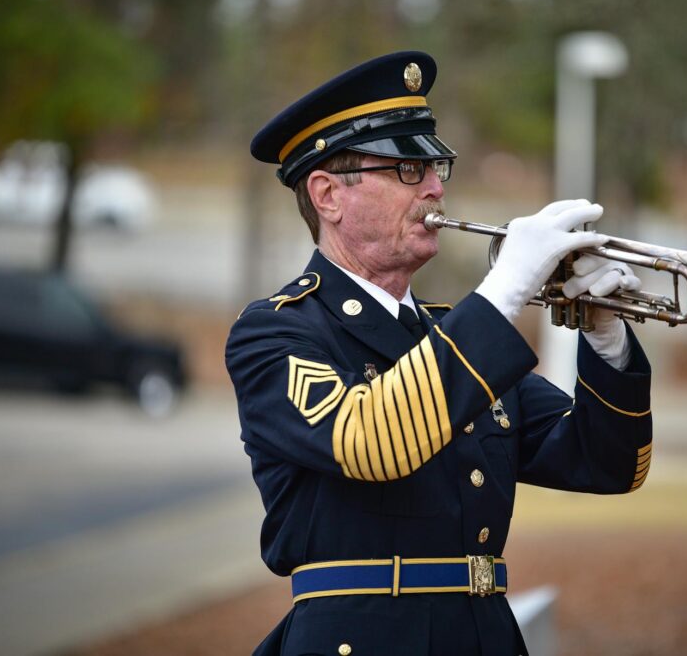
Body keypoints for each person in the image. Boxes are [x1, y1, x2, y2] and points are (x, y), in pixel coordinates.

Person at [226, 50, 653, 656]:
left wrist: (605, 337)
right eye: (407, 168)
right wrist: (505, 289)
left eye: (437, 166)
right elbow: (370, 439)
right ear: (327, 194)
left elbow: (609, 466)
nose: (435, 186)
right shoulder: (276, 333)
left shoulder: (455, 337)